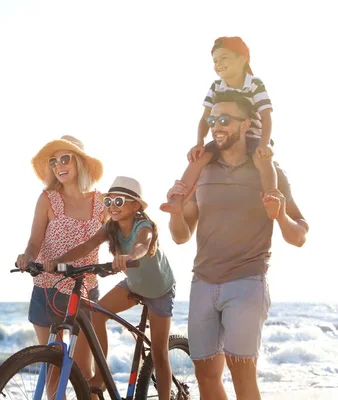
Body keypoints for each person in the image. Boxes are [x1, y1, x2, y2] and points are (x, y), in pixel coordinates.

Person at [167, 90, 309, 400]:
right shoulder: (201, 169)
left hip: (246, 282)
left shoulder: (268, 171)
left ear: (246, 125)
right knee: (205, 377)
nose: (216, 126)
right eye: (212, 119)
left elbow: (299, 234)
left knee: (242, 375)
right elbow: (180, 235)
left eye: (224, 119)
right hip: (202, 282)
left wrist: (281, 216)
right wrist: (177, 212)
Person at [46, 176, 175, 400]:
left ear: (135, 205)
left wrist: (128, 256)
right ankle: (101, 376)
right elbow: (87, 245)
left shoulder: (142, 226)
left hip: (159, 290)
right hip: (134, 286)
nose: (112, 207)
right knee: (97, 313)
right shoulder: (110, 228)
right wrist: (58, 262)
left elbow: (142, 245)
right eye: (109, 202)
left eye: (119, 201)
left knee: (159, 353)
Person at [15, 135, 106, 397]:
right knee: (52, 368)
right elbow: (34, 242)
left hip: (84, 291)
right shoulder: (48, 199)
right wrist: (27, 257)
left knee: (83, 372)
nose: (58, 165)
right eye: (54, 162)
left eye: (65, 159)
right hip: (47, 290)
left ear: (80, 162)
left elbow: (117, 237)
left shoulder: (101, 203)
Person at [161, 36, 280, 219]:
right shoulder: (216, 86)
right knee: (198, 158)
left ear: (242, 59)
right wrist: (199, 142)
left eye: (224, 58)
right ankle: (177, 200)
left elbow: (266, 116)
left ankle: (272, 194)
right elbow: (205, 117)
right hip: (224, 136)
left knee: (263, 159)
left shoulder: (255, 84)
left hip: (253, 136)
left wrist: (265, 143)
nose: (218, 64)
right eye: (215, 61)